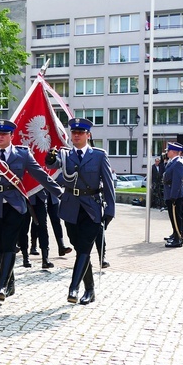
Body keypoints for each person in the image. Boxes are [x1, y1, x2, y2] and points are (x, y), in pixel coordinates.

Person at [0, 119, 62, 302]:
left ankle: (1, 286)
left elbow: (40, 174)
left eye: (4, 134)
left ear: (11, 136)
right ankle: (10, 283)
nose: (0, 137)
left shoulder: (22, 154)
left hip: (15, 205)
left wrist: (59, 192)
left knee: (8, 244)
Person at [45, 117, 115, 305]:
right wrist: (50, 158)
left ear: (88, 135)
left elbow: (108, 184)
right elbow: (53, 163)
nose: (76, 135)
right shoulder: (65, 154)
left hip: (92, 208)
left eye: (80, 133)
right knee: (79, 248)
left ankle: (73, 289)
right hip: (71, 207)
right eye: (74, 132)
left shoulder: (99, 155)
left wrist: (110, 209)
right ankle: (90, 290)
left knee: (84, 247)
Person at [162, 142, 183, 248]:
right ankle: (175, 233)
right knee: (174, 216)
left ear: (173, 152)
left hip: (175, 194)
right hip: (171, 192)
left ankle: (178, 238)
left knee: (177, 216)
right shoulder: (173, 161)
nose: (167, 153)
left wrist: (173, 196)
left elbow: (177, 181)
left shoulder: (178, 163)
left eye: (168, 151)